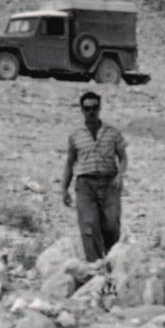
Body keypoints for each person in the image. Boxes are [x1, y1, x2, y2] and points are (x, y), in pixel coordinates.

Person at [60, 91, 127, 262]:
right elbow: (70, 162)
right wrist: (64, 189)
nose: (91, 111)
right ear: (82, 110)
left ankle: (112, 261)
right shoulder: (75, 135)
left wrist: (120, 174)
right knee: (89, 225)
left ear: (100, 108)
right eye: (87, 108)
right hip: (85, 184)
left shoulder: (113, 132)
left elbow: (123, 157)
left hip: (109, 182)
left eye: (95, 107)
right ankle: (95, 266)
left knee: (111, 225)